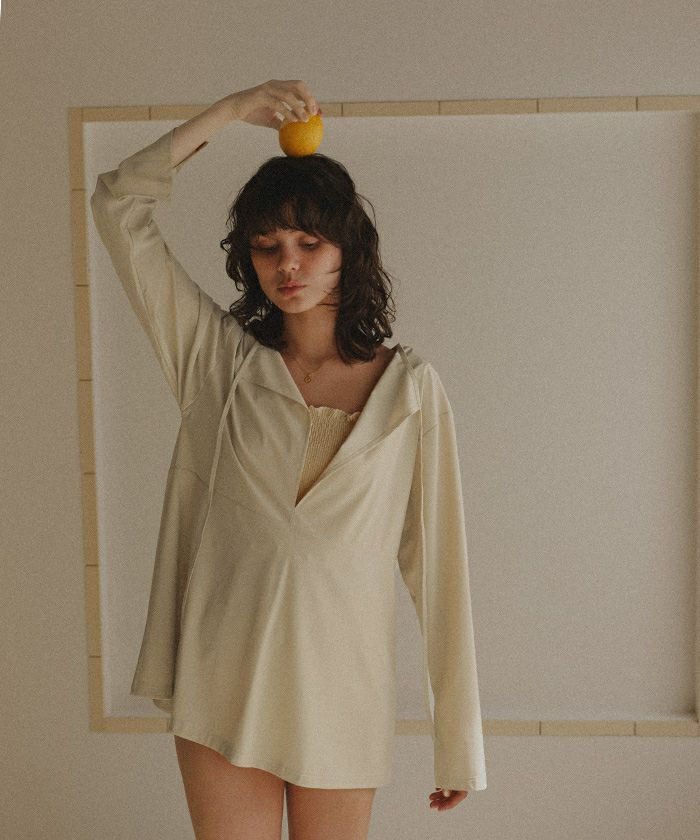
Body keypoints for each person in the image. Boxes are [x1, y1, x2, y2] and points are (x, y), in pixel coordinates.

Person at [90, 79, 487, 840]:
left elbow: (441, 569)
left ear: (349, 251)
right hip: (223, 681)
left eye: (309, 243)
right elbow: (116, 204)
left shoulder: (409, 392)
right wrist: (231, 112)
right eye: (267, 246)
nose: (288, 264)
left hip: (344, 691)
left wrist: (457, 744)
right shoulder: (218, 364)